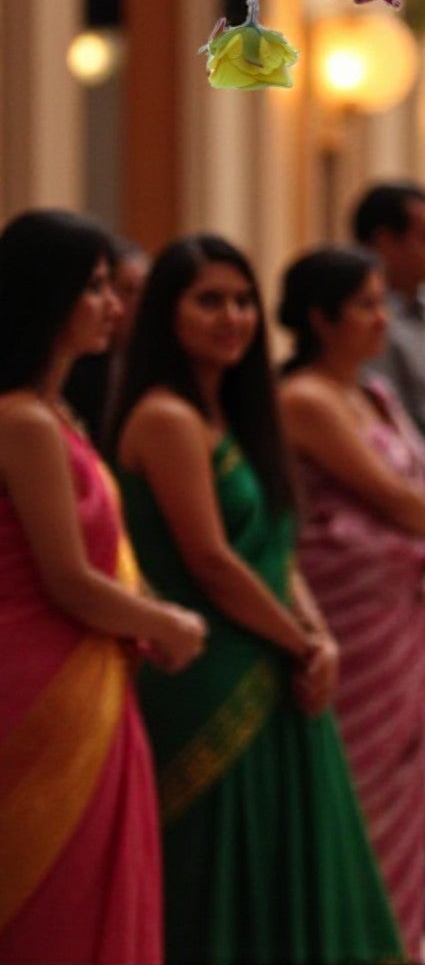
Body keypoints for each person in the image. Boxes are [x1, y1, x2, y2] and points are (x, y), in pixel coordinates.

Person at [109, 234, 405, 964]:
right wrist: (301, 643)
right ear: (166, 314)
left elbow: (277, 548)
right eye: (209, 301)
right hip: (208, 672)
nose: (233, 317)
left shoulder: (238, 416)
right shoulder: (166, 418)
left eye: (243, 301)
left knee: (285, 867)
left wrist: (318, 636)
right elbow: (212, 562)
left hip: (274, 658)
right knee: (223, 873)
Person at [0, 211, 204, 965]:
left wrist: (146, 614)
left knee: (95, 883)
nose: (114, 305)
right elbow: (68, 580)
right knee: (55, 901)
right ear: (46, 296)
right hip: (41, 680)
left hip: (90, 670)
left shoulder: (58, 413)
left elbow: (103, 555)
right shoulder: (22, 420)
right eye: (94, 288)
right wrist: (166, 622)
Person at [278, 246, 425, 962]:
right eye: (365, 305)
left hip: (402, 615)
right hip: (349, 615)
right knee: (357, 784)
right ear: (320, 318)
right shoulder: (304, 398)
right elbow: (385, 493)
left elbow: (420, 486)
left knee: (406, 775)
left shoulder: (375, 394)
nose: (381, 319)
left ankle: (395, 940)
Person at [63, 238, 148, 451]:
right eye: (130, 291)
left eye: (148, 291)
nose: (145, 303)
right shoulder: (72, 361)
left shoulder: (166, 359)